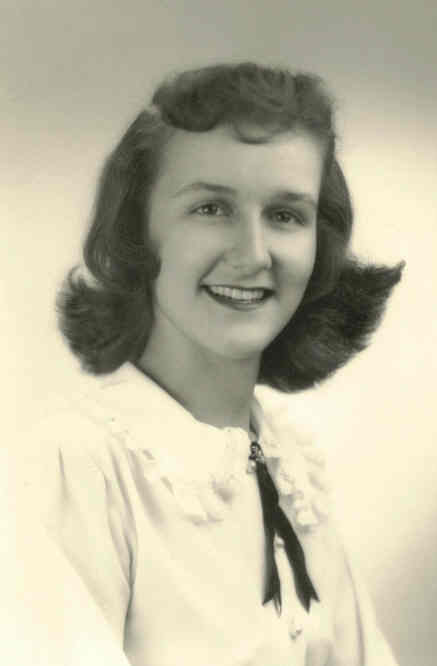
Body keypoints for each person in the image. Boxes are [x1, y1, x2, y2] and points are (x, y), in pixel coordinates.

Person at [22, 62, 404, 665]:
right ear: (139, 231)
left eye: (285, 215)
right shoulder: (79, 468)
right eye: (211, 209)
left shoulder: (291, 469)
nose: (254, 255)